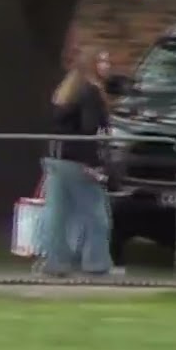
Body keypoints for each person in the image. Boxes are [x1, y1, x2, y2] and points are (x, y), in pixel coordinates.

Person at [38, 47, 114, 277]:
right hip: (79, 161)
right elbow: (89, 130)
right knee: (96, 215)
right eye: (102, 61)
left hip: (56, 159)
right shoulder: (90, 92)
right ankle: (96, 263)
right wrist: (95, 165)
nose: (107, 66)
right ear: (91, 65)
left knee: (57, 213)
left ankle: (55, 262)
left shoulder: (67, 91)